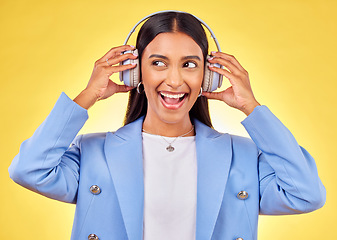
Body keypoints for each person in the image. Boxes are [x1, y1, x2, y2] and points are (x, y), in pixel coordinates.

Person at [9, 11, 325, 240]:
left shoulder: (242, 158)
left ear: (208, 76)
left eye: (189, 64)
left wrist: (251, 108)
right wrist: (85, 98)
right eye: (158, 63)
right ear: (134, 72)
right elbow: (29, 170)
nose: (174, 80)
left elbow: (306, 194)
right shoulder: (94, 153)